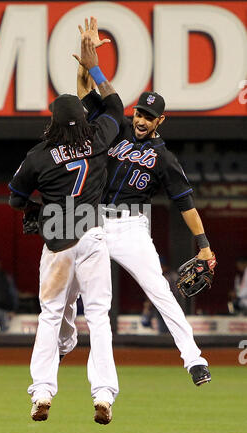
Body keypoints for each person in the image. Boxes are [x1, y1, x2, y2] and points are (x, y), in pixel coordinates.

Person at [58, 17, 217, 387]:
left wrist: (205, 246)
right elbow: (84, 95)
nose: (141, 119)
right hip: (92, 220)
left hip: (131, 226)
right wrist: (86, 62)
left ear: (161, 119)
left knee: (160, 291)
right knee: (64, 289)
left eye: (149, 115)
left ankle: (194, 360)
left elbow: (186, 205)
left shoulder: (164, 158)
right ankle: (65, 342)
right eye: (139, 112)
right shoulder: (117, 125)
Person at [8, 33, 124, 424]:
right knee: (99, 316)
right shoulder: (98, 139)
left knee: (50, 315)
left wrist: (38, 211)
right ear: (83, 123)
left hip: (58, 241)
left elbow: (15, 198)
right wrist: (92, 67)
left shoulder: (39, 155)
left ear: (53, 124)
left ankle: (42, 391)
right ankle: (104, 394)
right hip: (92, 236)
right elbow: (114, 104)